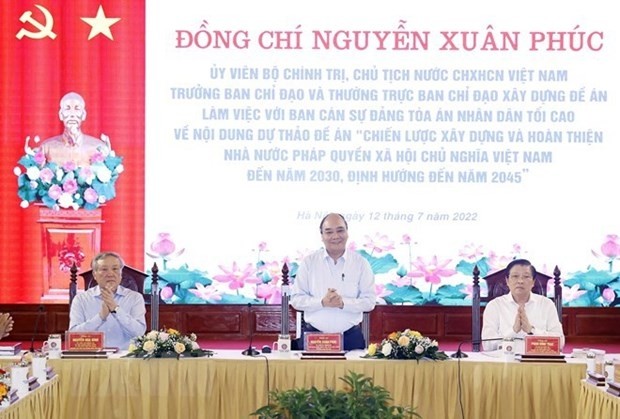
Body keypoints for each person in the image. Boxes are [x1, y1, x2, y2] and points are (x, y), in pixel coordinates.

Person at [291, 213, 376, 351]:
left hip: (351, 339)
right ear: (322, 236)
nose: (335, 236)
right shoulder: (309, 263)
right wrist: (322, 302)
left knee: (353, 374)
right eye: (329, 232)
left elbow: (370, 301)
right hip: (314, 338)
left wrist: (343, 303)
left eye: (340, 230)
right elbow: (296, 300)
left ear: (347, 233)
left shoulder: (361, 263)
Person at [481, 258, 565, 352]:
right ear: (507, 281)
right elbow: (487, 345)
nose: (520, 281)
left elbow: (560, 343)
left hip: (538, 362)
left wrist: (531, 330)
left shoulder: (546, 304)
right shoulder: (494, 306)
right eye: (515, 276)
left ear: (533, 282)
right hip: (504, 362)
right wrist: (513, 331)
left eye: (526, 277)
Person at [69, 252, 146, 350]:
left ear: (120, 273)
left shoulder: (135, 298)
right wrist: (100, 317)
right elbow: (74, 335)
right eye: (104, 269)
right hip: (92, 357)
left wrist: (115, 309)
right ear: (95, 274)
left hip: (126, 358)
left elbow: (139, 332)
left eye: (115, 269)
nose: (110, 274)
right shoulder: (81, 299)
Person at [40, 91, 109, 167]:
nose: (72, 114)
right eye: (67, 109)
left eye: (77, 109)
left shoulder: (98, 147)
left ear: (83, 115)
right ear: (61, 114)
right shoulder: (47, 148)